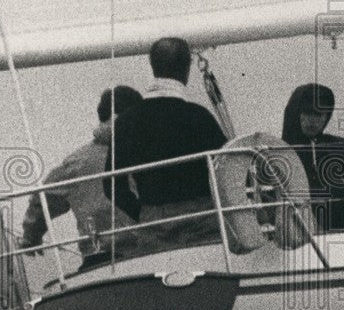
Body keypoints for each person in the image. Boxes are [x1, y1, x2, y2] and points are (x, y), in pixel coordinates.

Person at [104, 37, 227, 246]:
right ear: (187, 68)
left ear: (152, 65)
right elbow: (228, 170)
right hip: (203, 220)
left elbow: (111, 186)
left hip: (155, 225)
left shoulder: (126, 122)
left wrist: (143, 214)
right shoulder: (199, 117)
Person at [20, 86, 143, 268]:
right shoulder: (144, 154)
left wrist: (31, 236)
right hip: (145, 252)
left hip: (98, 257)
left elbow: (43, 199)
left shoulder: (77, 162)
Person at [281, 83, 344, 231]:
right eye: (308, 113)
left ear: (326, 117)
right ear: (297, 113)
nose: (313, 120)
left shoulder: (338, 147)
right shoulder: (280, 152)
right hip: (296, 233)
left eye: (319, 114)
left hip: (339, 234)